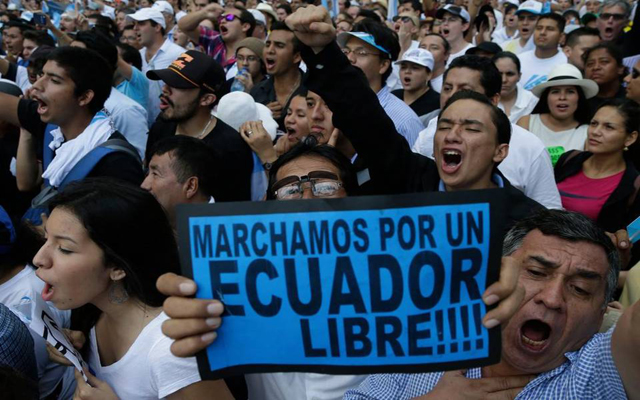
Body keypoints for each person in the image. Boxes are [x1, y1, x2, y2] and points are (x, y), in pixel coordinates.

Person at [345, 209, 640, 399]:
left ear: (602, 311)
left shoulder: (598, 373)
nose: (551, 299)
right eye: (536, 273)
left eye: (580, 289)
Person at [35, 178, 233, 399]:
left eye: (64, 248)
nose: (39, 258)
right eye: (46, 239)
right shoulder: (92, 311)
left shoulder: (171, 351)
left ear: (118, 267)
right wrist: (74, 349)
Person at [412, 55, 562, 209]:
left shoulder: (530, 148)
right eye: (447, 88)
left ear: (493, 100)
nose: (452, 97)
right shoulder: (427, 136)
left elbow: (549, 214)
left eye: (465, 91)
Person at [0, 46, 144, 204]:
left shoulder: (117, 165)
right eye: (42, 75)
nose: (37, 86)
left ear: (84, 97)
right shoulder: (54, 123)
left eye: (54, 80)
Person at [145, 50, 254, 202]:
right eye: (166, 81)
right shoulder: (161, 127)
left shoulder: (231, 147)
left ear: (207, 99)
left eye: (177, 85)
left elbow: (232, 213)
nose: (165, 89)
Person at [555, 99, 639, 233]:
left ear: (630, 138)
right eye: (594, 124)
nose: (595, 132)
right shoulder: (569, 160)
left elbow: (631, 236)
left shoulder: (633, 184)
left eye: (608, 127)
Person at [338, 21, 424, 147]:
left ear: (383, 65)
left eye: (361, 53)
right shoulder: (333, 105)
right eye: (346, 51)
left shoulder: (403, 122)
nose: (350, 58)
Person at [518, 63, 597, 166]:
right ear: (547, 97)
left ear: (579, 97)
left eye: (570, 92)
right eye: (555, 92)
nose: (562, 97)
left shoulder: (588, 132)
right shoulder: (526, 123)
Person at [142, 136, 219, 227]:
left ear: (190, 186)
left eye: (155, 174)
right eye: (147, 174)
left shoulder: (227, 235)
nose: (144, 185)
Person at [128, 7, 186, 125]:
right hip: (144, 124)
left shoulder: (178, 54)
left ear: (157, 27)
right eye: (134, 24)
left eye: (141, 23)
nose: (135, 28)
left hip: (170, 123)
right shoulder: (138, 55)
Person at [250, 22, 305, 130]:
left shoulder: (312, 90)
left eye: (279, 46)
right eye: (267, 44)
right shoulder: (257, 91)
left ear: (296, 56)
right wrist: (261, 115)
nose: (270, 50)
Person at [178, 3, 255, 72]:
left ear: (245, 26)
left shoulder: (253, 53)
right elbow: (183, 26)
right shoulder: (214, 40)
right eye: (221, 18)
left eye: (229, 17)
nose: (223, 21)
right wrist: (204, 12)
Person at [518, 13, 568, 91]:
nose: (542, 32)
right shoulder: (519, 59)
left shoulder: (566, 62)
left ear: (561, 37)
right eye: (539, 28)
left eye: (550, 29)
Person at [391, 48, 440, 123]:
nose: (407, 71)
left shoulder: (437, 102)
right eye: (403, 67)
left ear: (429, 74)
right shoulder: (392, 96)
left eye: (415, 68)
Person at [493, 51, 538, 123]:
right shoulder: (482, 100)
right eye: (499, 74)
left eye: (510, 74)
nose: (504, 80)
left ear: (519, 76)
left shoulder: (532, 101)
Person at [584, 42, 627, 112]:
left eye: (604, 62)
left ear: (620, 68)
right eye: (590, 64)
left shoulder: (632, 98)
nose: (595, 67)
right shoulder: (580, 102)